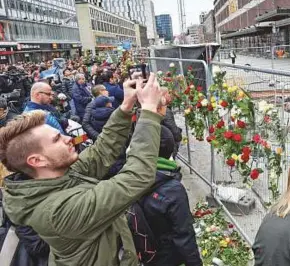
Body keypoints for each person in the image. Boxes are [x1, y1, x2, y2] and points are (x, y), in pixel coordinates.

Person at [0, 74, 169, 266]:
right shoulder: (57, 213)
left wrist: (126, 106)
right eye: (57, 139)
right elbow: (136, 177)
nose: (67, 138)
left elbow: (100, 152)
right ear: (37, 160)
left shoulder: (57, 177)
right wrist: (148, 111)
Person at [141, 122, 202, 266]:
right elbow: (184, 236)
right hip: (165, 255)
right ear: (170, 149)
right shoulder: (173, 190)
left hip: (144, 251)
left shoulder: (132, 175)